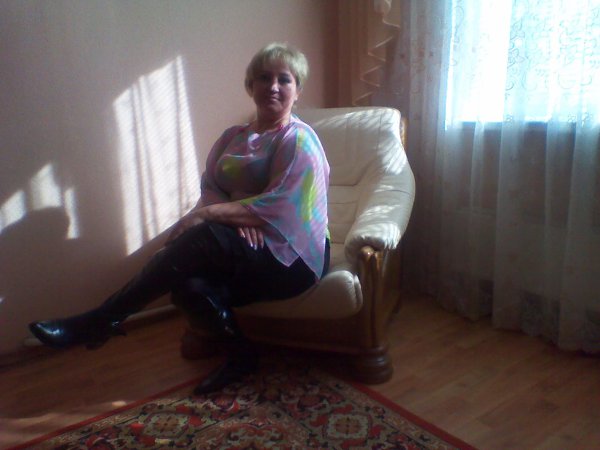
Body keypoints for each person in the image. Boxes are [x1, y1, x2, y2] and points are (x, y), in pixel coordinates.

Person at [29, 42, 330, 395]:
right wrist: (238, 217)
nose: (273, 86)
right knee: (188, 285)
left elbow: (283, 204)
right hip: (246, 247)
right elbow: (211, 185)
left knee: (200, 235)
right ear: (251, 86)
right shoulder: (232, 137)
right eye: (264, 78)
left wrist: (211, 215)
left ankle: (100, 320)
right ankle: (241, 356)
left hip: (292, 256)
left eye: (284, 79)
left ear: (298, 90)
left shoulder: (299, 139)